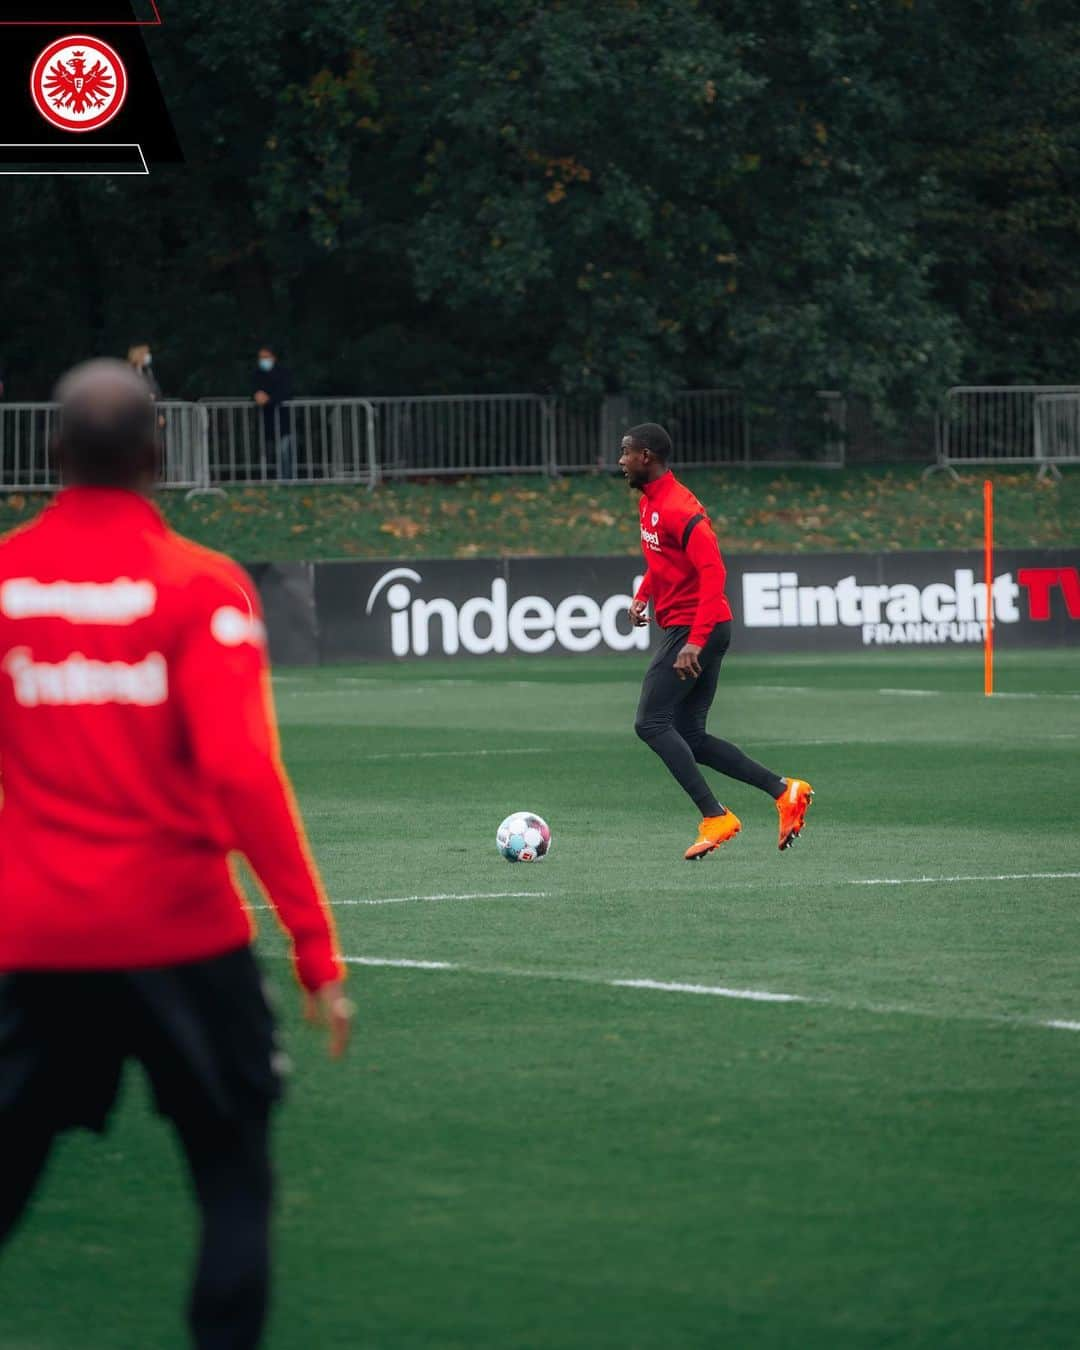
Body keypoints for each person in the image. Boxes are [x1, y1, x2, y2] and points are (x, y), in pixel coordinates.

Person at [0, 359, 351, 1349]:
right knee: (233, 1179)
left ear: (53, 454)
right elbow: (244, 776)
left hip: (40, 941)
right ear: (158, 457)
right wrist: (316, 951)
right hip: (184, 937)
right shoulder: (200, 586)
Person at [620, 423, 814, 860]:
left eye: (625, 452)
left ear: (646, 457)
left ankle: (716, 816)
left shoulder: (679, 507)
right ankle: (784, 791)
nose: (620, 460)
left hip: (697, 628)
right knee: (689, 734)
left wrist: (696, 640)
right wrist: (643, 595)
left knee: (650, 723)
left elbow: (714, 571)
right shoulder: (650, 503)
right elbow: (664, 559)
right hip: (691, 628)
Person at [252, 344, 294, 480]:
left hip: (283, 421)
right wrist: (256, 396)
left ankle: (286, 481)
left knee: (284, 452)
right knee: (267, 453)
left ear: (273, 357)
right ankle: (267, 480)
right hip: (266, 421)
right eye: (261, 358)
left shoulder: (283, 373)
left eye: (266, 357)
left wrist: (269, 399)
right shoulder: (257, 374)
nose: (263, 360)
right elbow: (253, 391)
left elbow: (286, 393)